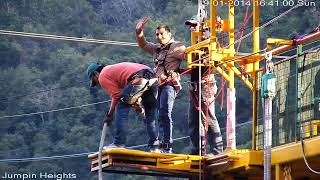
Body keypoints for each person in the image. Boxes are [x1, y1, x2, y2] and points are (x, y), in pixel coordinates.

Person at [135, 17, 186, 153]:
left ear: (169, 34)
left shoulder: (176, 47)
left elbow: (190, 57)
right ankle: (155, 145)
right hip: (157, 85)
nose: (159, 36)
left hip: (169, 84)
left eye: (161, 33)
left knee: (164, 113)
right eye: (157, 34)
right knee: (152, 114)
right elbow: (144, 44)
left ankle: (167, 146)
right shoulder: (157, 49)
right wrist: (139, 32)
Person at [87, 62, 159, 151]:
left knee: (121, 107)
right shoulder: (112, 70)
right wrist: (136, 104)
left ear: (96, 74)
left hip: (139, 78)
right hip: (153, 77)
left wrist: (110, 114)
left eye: (95, 80)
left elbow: (117, 96)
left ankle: (119, 143)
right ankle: (155, 146)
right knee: (150, 114)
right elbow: (132, 95)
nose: (98, 83)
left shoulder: (102, 75)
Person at [185, 16, 223, 156]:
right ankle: (197, 150)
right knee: (194, 120)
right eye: (191, 26)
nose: (192, 28)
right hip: (195, 85)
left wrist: (206, 29)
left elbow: (209, 53)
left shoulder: (208, 43)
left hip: (205, 84)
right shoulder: (194, 45)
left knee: (208, 117)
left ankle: (217, 150)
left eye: (194, 25)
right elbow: (194, 68)